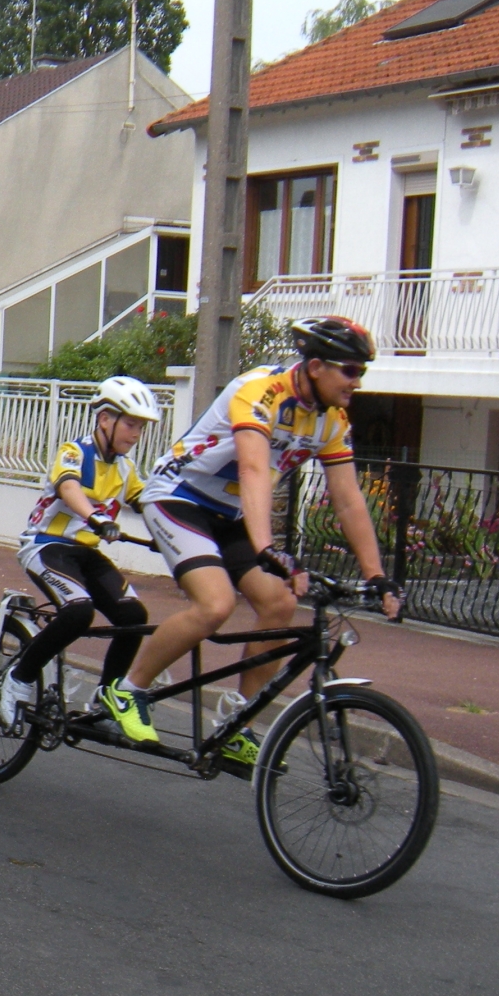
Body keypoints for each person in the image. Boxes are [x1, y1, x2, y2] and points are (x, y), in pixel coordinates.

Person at [98, 316, 400, 764]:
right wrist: (267, 548)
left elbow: (349, 499)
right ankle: (127, 691)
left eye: (362, 372)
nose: (357, 381)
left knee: (279, 603)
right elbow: (254, 470)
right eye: (351, 370)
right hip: (180, 497)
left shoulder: (332, 420)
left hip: (230, 513)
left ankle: (238, 720)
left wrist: (377, 576)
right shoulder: (261, 391)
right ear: (316, 366)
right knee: (216, 604)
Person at [0, 376, 160, 729]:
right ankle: (19, 678)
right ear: (105, 419)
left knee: (134, 617)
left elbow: (148, 504)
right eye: (130, 424)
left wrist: (174, 535)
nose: (136, 434)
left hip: (86, 556)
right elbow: (69, 487)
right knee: (78, 611)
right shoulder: (74, 451)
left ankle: (104, 698)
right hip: (46, 547)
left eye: (141, 427)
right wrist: (95, 516)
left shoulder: (125, 468)